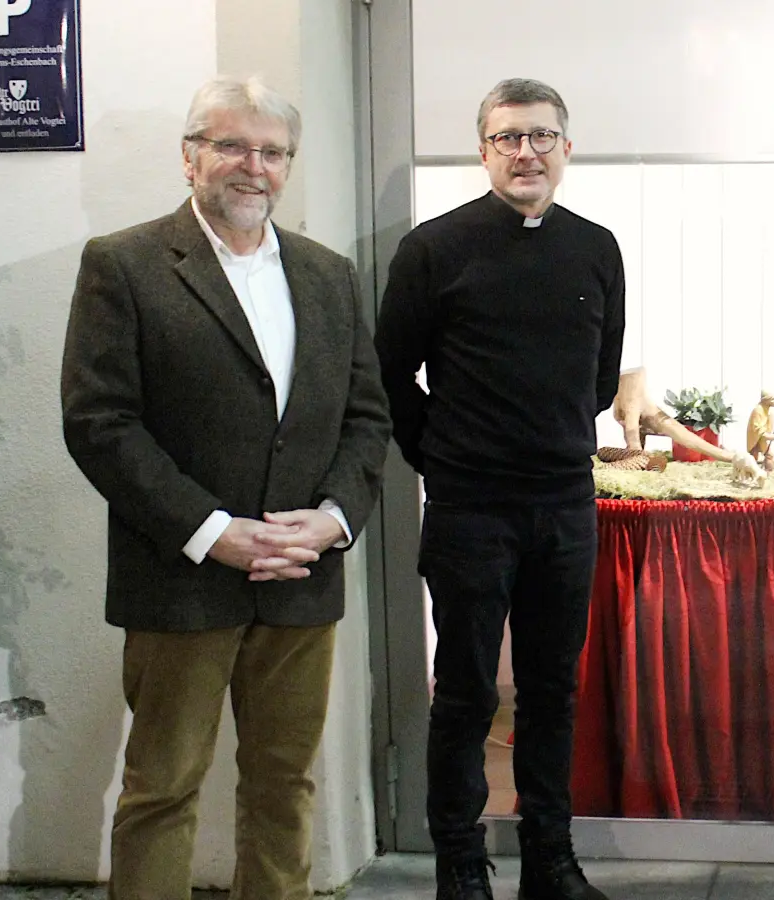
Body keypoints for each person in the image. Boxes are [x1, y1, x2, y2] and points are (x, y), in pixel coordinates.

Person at [59, 76, 391, 900]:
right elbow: (100, 423)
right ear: (190, 157)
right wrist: (214, 531)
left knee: (285, 787)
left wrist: (331, 522)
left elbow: (366, 418)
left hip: (301, 582)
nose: (254, 167)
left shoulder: (329, 276)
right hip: (181, 578)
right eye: (232, 146)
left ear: (289, 166)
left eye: (272, 152)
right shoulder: (124, 264)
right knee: (162, 788)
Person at [373, 78, 623, 900]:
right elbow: (388, 373)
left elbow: (598, 380)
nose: (527, 152)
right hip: (470, 509)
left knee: (554, 690)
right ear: (482, 151)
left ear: (567, 149)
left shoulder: (596, 248)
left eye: (542, 136)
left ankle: (550, 860)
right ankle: (462, 866)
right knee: (469, 692)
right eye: (509, 137)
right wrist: (441, 458)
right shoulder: (435, 250)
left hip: (564, 505)